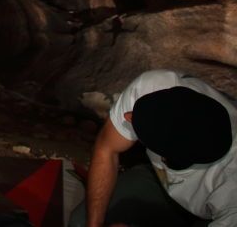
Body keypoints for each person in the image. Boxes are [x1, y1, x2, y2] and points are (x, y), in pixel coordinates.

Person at [70, 69, 236, 227]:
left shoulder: (231, 191)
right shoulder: (153, 87)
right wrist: (94, 224)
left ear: (169, 154)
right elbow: (106, 149)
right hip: (159, 181)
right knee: (79, 223)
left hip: (215, 214)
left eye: (141, 125)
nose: (128, 116)